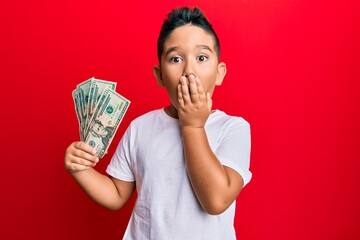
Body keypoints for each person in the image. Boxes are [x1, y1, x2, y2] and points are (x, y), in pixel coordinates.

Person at [64, 6, 251, 239]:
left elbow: (215, 200)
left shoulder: (234, 128)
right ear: (160, 75)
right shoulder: (140, 128)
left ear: (219, 72)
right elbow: (115, 194)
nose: (188, 70)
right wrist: (80, 170)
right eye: (175, 59)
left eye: (201, 57)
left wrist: (192, 125)